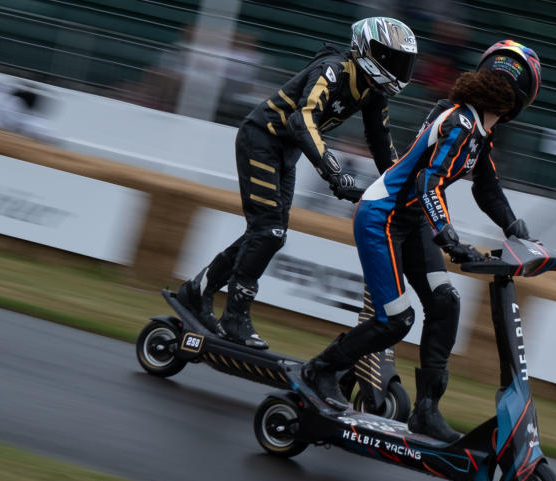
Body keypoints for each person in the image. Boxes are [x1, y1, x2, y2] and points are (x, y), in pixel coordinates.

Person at [301, 40, 542, 442]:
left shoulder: (479, 131)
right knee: (396, 319)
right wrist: (448, 238)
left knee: (445, 302)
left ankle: (427, 411)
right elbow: (427, 181)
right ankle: (320, 371)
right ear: (522, 100)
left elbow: (487, 190)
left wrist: (514, 227)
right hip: (383, 215)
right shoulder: (461, 124)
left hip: (410, 220)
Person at [177, 17, 417, 349]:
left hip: (284, 152)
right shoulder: (334, 69)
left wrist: (403, 187)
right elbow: (301, 119)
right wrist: (335, 173)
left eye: (404, 62)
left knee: (267, 234)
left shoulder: (373, 92)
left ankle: (198, 290)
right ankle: (235, 316)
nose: (400, 69)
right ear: (366, 50)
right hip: (261, 139)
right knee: (268, 232)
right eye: (393, 59)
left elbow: (382, 144)